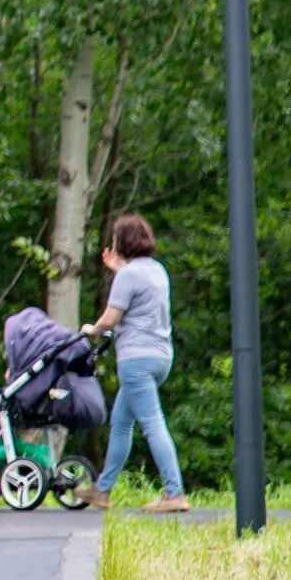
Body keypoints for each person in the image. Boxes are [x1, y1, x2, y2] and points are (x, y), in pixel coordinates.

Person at [85, 212, 187, 513]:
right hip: (161, 356)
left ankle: (174, 493)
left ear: (123, 241)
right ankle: (101, 491)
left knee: (153, 424)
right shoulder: (156, 270)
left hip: (136, 359)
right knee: (121, 423)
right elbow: (137, 292)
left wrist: (92, 329)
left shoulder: (128, 275)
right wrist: (119, 269)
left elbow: (112, 317)